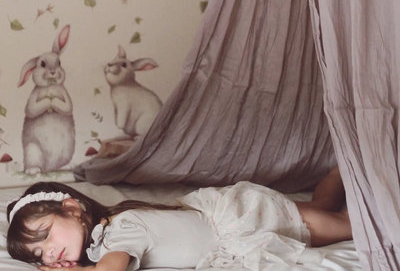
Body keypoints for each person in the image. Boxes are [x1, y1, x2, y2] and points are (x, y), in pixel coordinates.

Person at [7, 166, 352, 271]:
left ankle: (345, 169)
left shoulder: (118, 231)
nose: (48, 253)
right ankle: (337, 174)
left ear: (72, 208)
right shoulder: (101, 246)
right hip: (229, 242)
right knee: (322, 209)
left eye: (46, 234)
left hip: (241, 220)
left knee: (344, 227)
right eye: (38, 255)